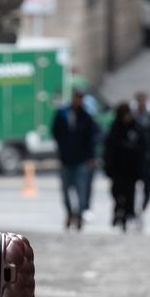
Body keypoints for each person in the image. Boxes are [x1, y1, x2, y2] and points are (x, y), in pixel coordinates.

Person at [52, 88, 102, 230]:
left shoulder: (86, 117)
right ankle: (69, 212)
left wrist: (91, 157)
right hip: (66, 158)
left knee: (81, 190)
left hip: (82, 160)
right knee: (66, 190)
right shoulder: (62, 114)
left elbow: (92, 139)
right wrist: (62, 148)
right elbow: (56, 132)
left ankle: (79, 215)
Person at [104, 102, 148, 231]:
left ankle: (128, 214)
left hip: (131, 169)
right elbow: (109, 148)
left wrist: (142, 168)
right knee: (116, 192)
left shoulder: (136, 128)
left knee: (130, 194)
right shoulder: (115, 128)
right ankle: (118, 211)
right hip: (117, 168)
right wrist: (108, 166)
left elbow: (143, 149)